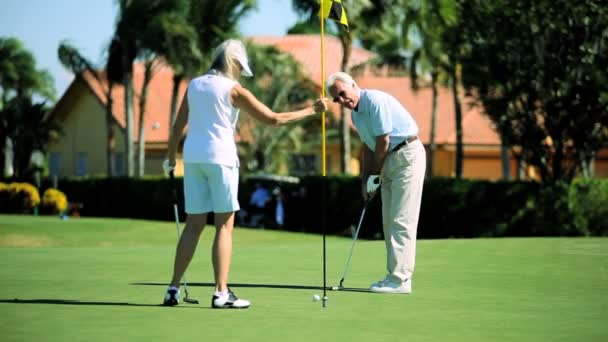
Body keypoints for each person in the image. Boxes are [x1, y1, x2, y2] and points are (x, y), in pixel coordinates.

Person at [162, 39, 328, 308]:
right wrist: (312, 110)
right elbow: (273, 119)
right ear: (234, 63)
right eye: (240, 67)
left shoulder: (194, 85)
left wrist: (170, 159)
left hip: (193, 159)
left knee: (193, 225)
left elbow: (177, 126)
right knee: (224, 226)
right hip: (222, 159)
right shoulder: (234, 90)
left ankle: (172, 288)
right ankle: (221, 293)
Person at [326, 72, 426, 294]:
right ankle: (393, 276)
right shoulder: (356, 116)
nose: (341, 100)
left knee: (402, 220)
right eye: (336, 99)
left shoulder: (375, 101)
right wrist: (366, 183)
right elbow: (370, 150)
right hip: (389, 159)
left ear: (353, 84)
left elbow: (384, 140)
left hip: (407, 156)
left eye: (342, 93)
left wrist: (375, 176)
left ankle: (401, 280)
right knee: (389, 221)